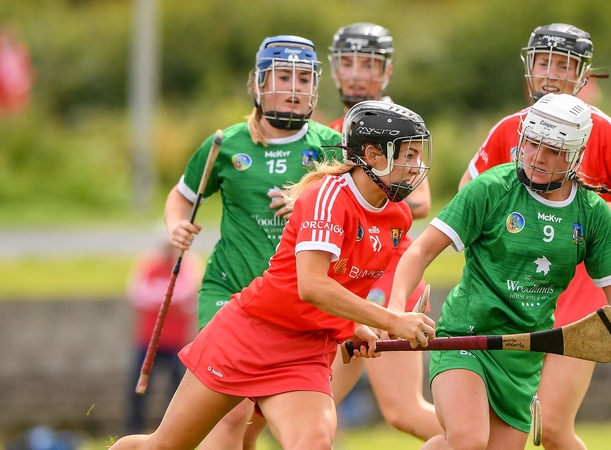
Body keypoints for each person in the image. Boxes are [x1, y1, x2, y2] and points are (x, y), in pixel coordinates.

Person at [108, 99, 437, 450]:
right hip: (249, 335)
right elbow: (312, 286)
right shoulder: (327, 198)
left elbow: (347, 285)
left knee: (313, 443)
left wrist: (357, 326)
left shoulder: (397, 216)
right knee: (163, 447)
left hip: (306, 350)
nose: (415, 167)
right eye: (409, 154)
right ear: (372, 155)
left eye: (418, 155)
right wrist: (391, 319)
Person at [388, 93, 611, 450]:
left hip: (523, 358)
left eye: (551, 149)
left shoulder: (592, 212)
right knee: (468, 440)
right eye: (532, 143)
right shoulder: (492, 188)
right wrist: (396, 307)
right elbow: (421, 250)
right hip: (465, 340)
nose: (537, 156)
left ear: (575, 155)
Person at [458, 23, 611, 449]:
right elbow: (466, 194)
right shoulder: (510, 127)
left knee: (550, 428)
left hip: (578, 292)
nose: (550, 74)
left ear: (582, 76)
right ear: (529, 66)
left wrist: (581, 224)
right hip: (515, 295)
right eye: (543, 61)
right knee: (482, 433)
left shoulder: (600, 129)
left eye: (563, 65)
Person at [162, 35, 343, 449]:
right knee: (234, 410)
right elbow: (182, 196)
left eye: (303, 79)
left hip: (290, 303)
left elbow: (347, 212)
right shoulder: (226, 144)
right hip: (229, 291)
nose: (294, 89)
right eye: (283, 76)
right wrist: (176, 226)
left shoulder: (329, 147)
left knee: (253, 424)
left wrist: (304, 199)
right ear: (259, 83)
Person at [325, 22, 441, 440]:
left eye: (368, 64)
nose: (357, 73)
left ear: (386, 71)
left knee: (403, 410)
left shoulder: (396, 122)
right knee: (316, 400)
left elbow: (422, 200)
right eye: (348, 62)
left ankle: (486, 437)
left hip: (384, 273)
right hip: (345, 277)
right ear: (335, 69)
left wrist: (354, 205)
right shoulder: (336, 125)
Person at [125, 241, 202, 434]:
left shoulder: (188, 266)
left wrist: (162, 298)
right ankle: (134, 430)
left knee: (176, 391)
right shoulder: (149, 265)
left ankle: (172, 432)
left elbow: (188, 293)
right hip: (148, 341)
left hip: (176, 343)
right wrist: (168, 299)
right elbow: (137, 294)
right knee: (138, 390)